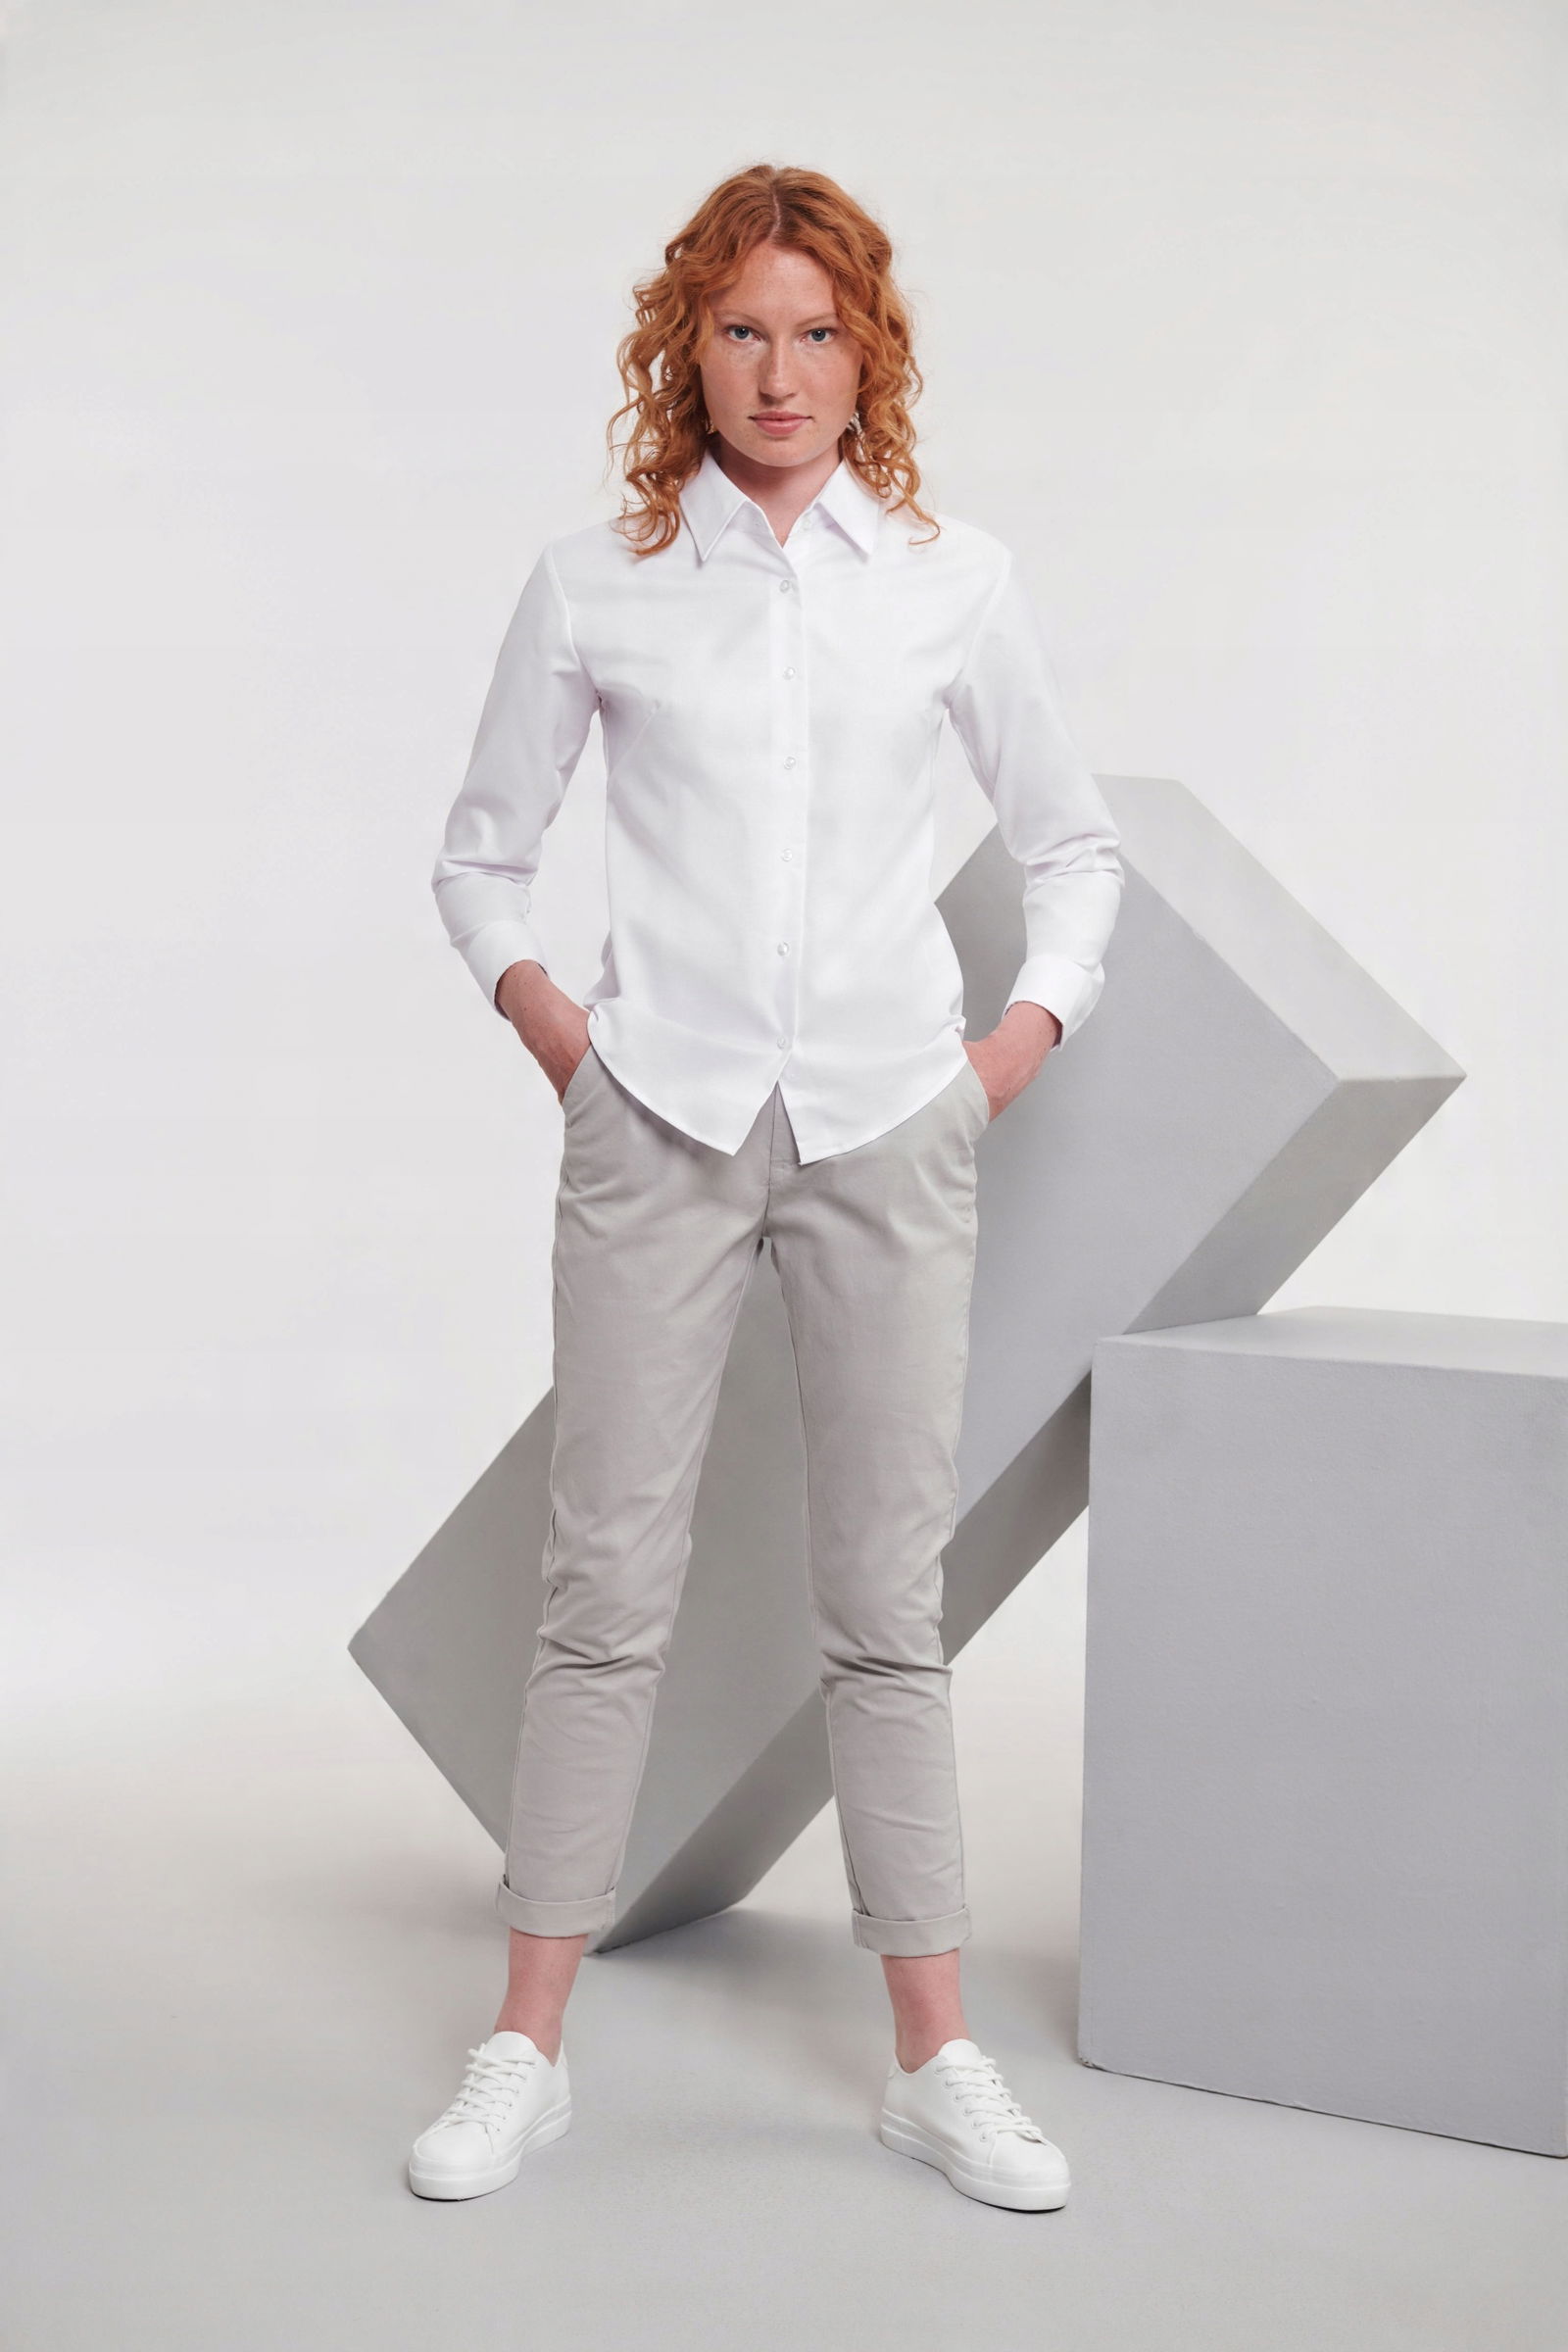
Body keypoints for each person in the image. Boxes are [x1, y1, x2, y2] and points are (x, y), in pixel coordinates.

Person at [407, 163, 1123, 2213]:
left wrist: (1003, 1058)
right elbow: (477, 855)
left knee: (885, 1606)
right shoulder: (600, 583)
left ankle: (936, 2063)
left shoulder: (952, 582)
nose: (780, 371)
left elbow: (1072, 850)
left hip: (892, 1123)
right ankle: (524, 2049)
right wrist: (567, 1037)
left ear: (867, 354)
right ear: (687, 349)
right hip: (659, 1122)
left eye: (817, 333)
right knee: (602, 1591)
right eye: (741, 330)